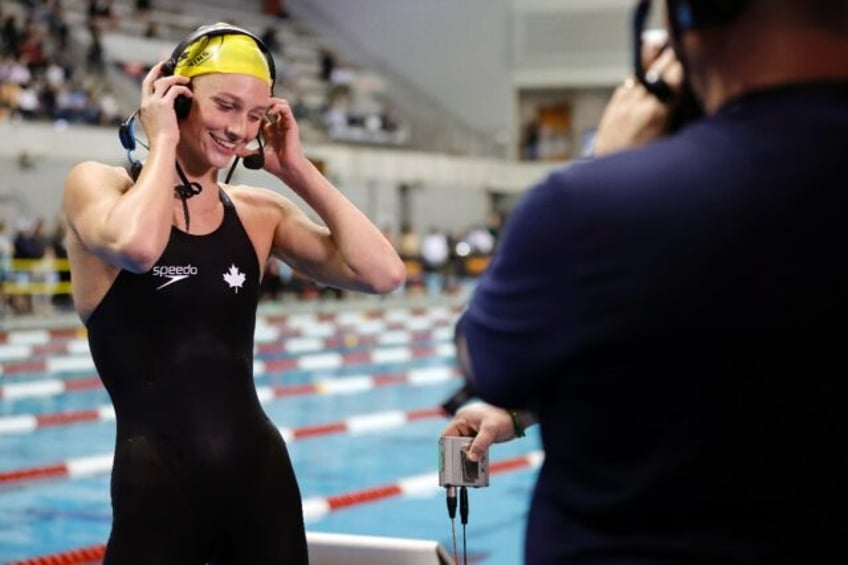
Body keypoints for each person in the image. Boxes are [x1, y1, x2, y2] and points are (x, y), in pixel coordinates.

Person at [442, 0, 848, 563]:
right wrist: (519, 418)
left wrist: (606, 164)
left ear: (691, 23)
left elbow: (484, 356)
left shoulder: (594, 210)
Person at [62, 23, 404, 564]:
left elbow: (383, 274)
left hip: (262, 484)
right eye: (225, 105)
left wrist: (297, 169)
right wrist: (165, 139)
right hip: (155, 493)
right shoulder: (99, 186)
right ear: (174, 96)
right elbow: (137, 247)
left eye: (255, 115)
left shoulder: (257, 214)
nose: (239, 130)